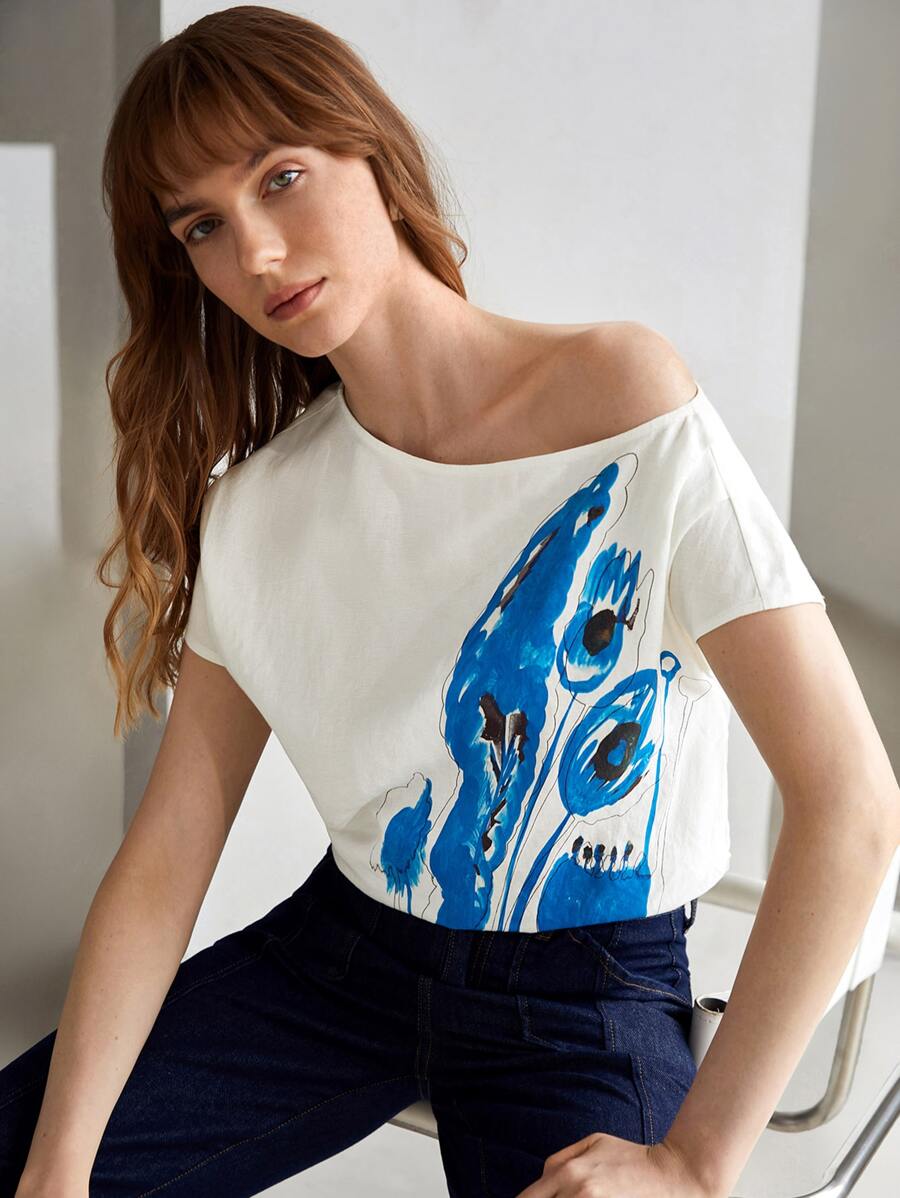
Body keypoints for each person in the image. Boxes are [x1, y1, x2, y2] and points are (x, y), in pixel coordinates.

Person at [3, 6, 898, 1198]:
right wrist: (57, 1169)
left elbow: (851, 802)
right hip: (341, 960)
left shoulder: (617, 403)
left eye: (280, 178)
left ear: (372, 153)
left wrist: (692, 1162)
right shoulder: (260, 509)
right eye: (203, 225)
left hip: (587, 987)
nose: (255, 253)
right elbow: (167, 852)